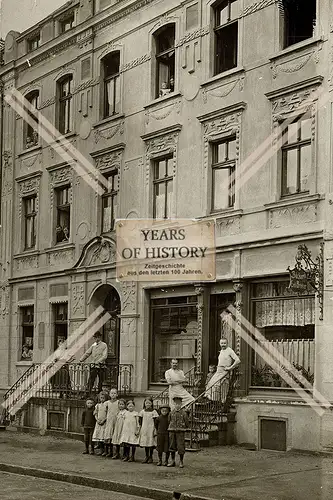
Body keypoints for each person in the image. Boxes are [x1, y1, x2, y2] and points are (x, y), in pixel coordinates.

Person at [79, 331, 108, 395]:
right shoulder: (93, 345)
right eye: (95, 338)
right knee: (91, 380)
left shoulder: (104, 345)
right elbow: (87, 353)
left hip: (101, 365)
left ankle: (100, 394)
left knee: (101, 381)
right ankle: (87, 393)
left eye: (97, 337)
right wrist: (81, 360)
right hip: (93, 366)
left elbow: (104, 356)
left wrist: (98, 361)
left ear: (100, 337)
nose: (96, 339)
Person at [168, 396, 189, 468]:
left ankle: (181, 461)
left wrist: (183, 427)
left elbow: (187, 423)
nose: (177, 405)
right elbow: (169, 421)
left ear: (181, 404)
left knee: (180, 446)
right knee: (172, 446)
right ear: (174, 404)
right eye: (176, 404)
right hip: (172, 431)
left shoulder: (184, 413)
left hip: (180, 432)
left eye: (179, 404)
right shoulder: (171, 413)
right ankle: (173, 460)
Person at [138, 397, 159, 464]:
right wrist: (140, 428)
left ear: (152, 403)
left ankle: (151, 457)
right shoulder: (142, 412)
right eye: (146, 403)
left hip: (151, 428)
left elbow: (156, 421)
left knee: (150, 443)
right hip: (144, 428)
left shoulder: (154, 412)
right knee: (146, 443)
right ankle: (146, 456)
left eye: (149, 403)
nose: (148, 404)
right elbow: (140, 421)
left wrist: (155, 429)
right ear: (144, 403)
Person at [104, 388, 119, 457]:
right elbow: (104, 411)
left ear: (117, 394)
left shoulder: (118, 402)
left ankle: (117, 453)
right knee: (108, 435)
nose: (113, 395)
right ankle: (109, 451)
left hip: (116, 421)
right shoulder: (107, 403)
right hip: (109, 421)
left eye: (114, 393)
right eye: (112, 393)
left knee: (116, 436)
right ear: (109, 394)